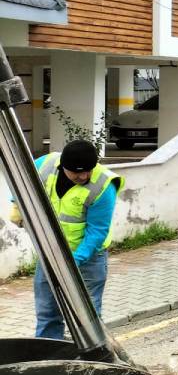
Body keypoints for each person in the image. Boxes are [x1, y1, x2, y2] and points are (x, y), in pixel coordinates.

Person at [22, 140, 124, 338]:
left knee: (88, 317)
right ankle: (50, 359)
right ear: (63, 167)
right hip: (50, 252)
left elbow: (97, 232)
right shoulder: (46, 164)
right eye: (77, 173)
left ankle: (95, 360)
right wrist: (16, 204)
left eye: (88, 170)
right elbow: (22, 181)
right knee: (47, 313)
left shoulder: (103, 186)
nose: (83, 176)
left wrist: (73, 261)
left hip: (88, 259)